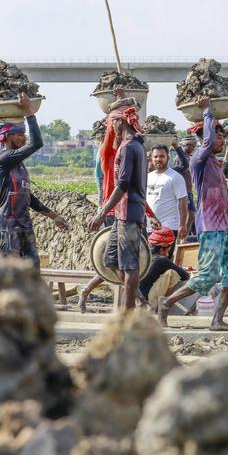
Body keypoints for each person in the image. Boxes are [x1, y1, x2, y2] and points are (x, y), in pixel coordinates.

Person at [159, 100, 228, 330]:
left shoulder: (214, 165)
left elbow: (224, 193)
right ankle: (166, 302)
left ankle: (217, 320)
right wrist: (207, 111)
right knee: (206, 277)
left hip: (224, 227)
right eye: (218, 137)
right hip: (210, 227)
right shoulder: (198, 160)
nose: (220, 141)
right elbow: (209, 140)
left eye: (221, 137)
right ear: (206, 138)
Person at [0, 94, 69, 268]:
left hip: (24, 222)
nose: (24, 138)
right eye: (20, 134)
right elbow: (36, 143)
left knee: (32, 268)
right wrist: (28, 111)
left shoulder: (19, 165)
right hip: (7, 224)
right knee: (10, 272)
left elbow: (27, 196)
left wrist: (53, 215)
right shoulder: (3, 160)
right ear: (8, 137)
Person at [90, 103, 149, 312]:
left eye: (112, 123)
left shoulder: (129, 147)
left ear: (119, 121)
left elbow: (123, 185)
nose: (111, 128)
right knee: (110, 259)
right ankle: (137, 301)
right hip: (123, 213)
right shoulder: (136, 145)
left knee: (129, 265)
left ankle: (129, 311)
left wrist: (102, 212)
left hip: (129, 211)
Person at [146, 144, 189, 246]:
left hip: (169, 226)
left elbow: (183, 202)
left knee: (165, 259)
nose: (158, 159)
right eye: (155, 157)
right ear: (151, 158)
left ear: (168, 158)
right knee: (151, 259)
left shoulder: (175, 177)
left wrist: (183, 224)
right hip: (150, 227)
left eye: (162, 156)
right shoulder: (148, 177)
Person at [139, 227, 190, 309]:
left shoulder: (143, 255)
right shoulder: (162, 260)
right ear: (163, 248)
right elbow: (185, 276)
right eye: (169, 248)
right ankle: (163, 307)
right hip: (146, 302)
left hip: (136, 300)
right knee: (172, 274)